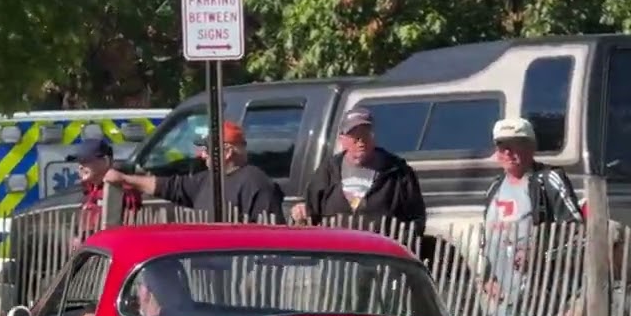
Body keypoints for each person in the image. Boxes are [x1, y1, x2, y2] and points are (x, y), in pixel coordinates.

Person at [478, 117, 583, 316]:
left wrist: (540, 254)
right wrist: (487, 276)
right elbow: (487, 235)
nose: (509, 152)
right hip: (505, 295)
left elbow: (576, 228)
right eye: (503, 145)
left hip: (545, 297)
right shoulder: (494, 187)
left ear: (531, 147)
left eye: (517, 144)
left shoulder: (547, 180)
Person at [102, 122, 285, 223]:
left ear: (227, 152)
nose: (201, 155)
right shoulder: (206, 180)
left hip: (241, 274)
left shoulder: (256, 184)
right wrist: (125, 179)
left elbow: (271, 238)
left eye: (207, 149)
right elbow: (168, 186)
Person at [294, 107, 426, 238]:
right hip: (335, 253)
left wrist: (398, 244)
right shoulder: (328, 170)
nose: (360, 141)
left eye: (365, 134)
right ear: (342, 140)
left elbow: (416, 219)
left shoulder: (398, 172)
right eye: (354, 136)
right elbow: (310, 212)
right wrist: (300, 212)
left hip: (380, 254)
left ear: (373, 136)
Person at [66, 138, 143, 249]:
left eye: (86, 161)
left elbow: (127, 224)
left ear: (106, 161)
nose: (80, 167)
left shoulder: (122, 189)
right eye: (79, 162)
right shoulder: (90, 190)